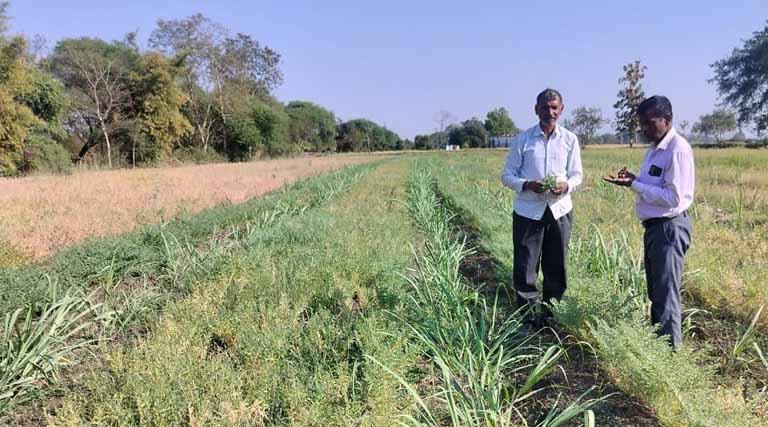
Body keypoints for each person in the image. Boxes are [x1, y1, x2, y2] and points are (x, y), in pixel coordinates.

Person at [602, 95, 694, 348]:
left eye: (649, 123)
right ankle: (660, 348)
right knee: (657, 293)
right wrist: (634, 180)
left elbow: (673, 197)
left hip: (669, 228)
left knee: (666, 297)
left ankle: (669, 357)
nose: (644, 129)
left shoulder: (677, 150)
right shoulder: (655, 149)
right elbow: (654, 185)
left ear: (667, 120)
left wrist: (634, 184)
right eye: (641, 123)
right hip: (656, 229)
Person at [501, 88, 583, 325]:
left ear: (561, 109)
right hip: (528, 211)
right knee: (526, 265)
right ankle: (527, 318)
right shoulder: (523, 140)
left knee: (556, 265)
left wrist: (566, 185)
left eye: (554, 107)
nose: (550, 112)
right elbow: (507, 176)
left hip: (559, 210)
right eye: (545, 107)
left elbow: (577, 175)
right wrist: (527, 184)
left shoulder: (569, 139)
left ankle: (551, 316)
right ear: (536, 109)